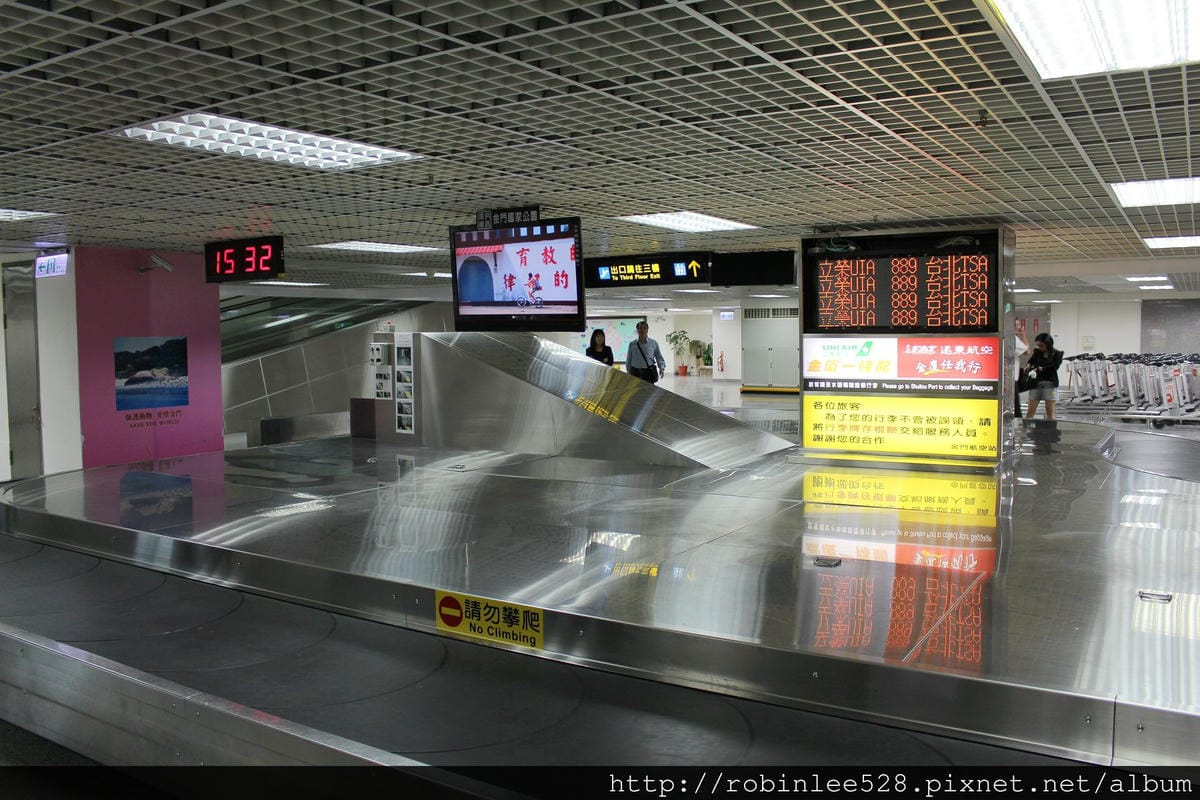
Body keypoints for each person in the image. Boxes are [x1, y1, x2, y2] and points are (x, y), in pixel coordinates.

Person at [1024, 332, 1063, 420]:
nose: (1039, 347)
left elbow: (1054, 367)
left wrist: (1041, 368)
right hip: (1036, 382)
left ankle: (1052, 430)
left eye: (1041, 345)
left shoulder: (1057, 354)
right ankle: (1026, 428)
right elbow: (1031, 362)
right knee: (1031, 410)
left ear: (1048, 344)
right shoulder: (1037, 353)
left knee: (1050, 410)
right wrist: (1029, 366)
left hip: (1050, 383)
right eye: (1038, 345)